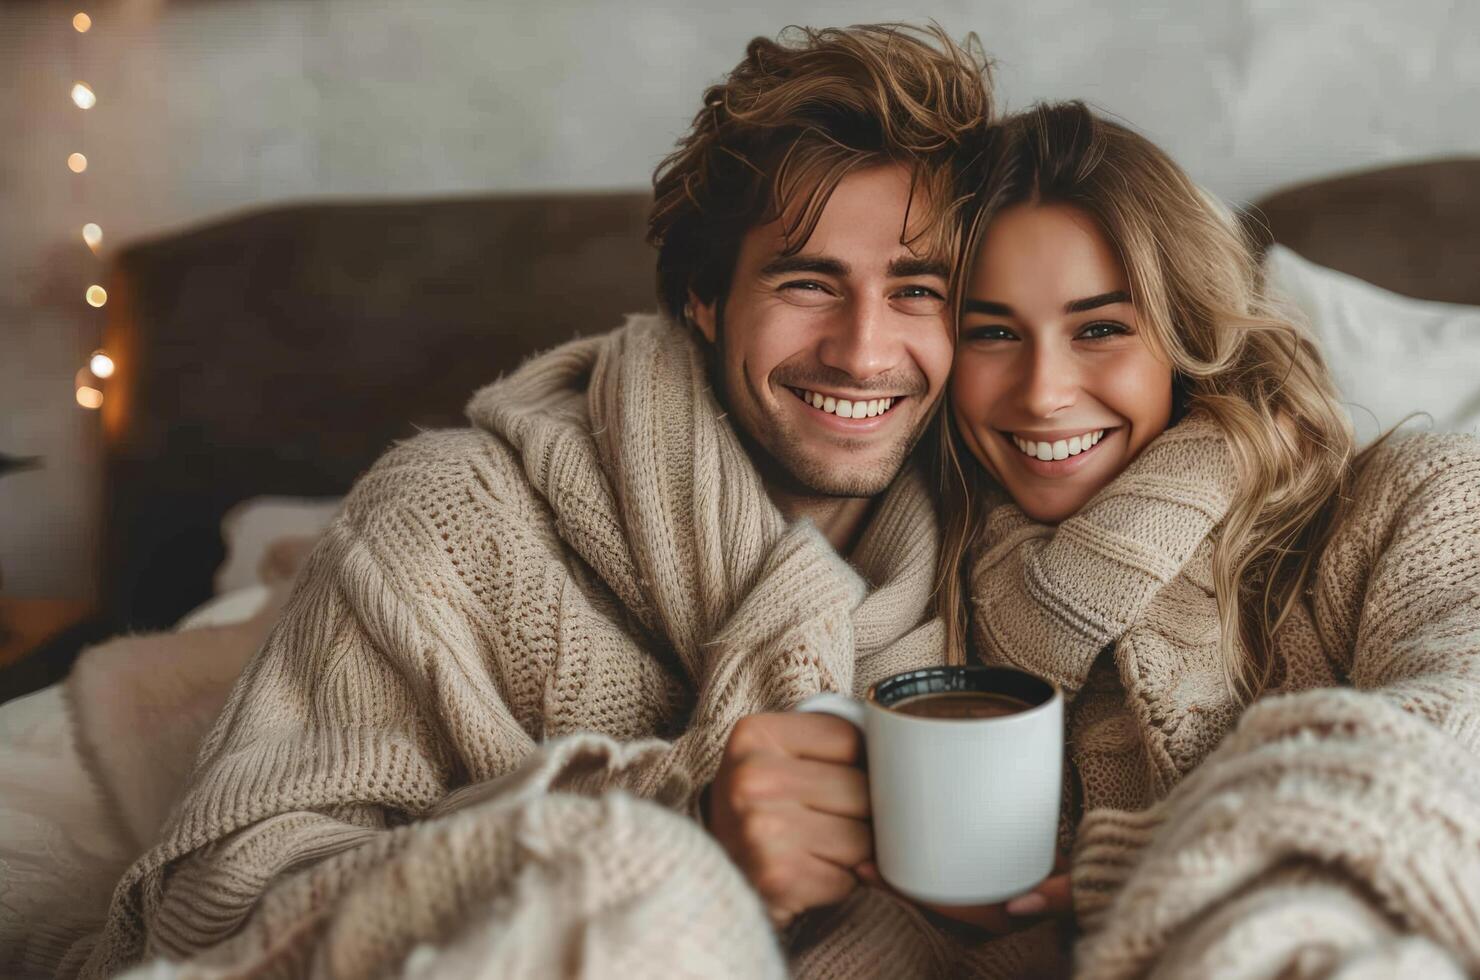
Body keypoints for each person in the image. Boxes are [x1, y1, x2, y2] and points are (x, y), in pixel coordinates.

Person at [70, 24, 1017, 979]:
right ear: (700, 297)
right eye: (808, 281)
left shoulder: (1008, 525)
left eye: (916, 289)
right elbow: (210, 909)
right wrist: (681, 828)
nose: (862, 351)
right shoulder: (447, 518)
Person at [934, 100, 1480, 974]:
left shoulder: (1422, 493)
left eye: (1099, 329)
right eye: (991, 333)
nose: (1043, 392)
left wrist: (1138, 864)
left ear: (1187, 335)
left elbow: (1473, 741)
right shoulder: (933, 571)